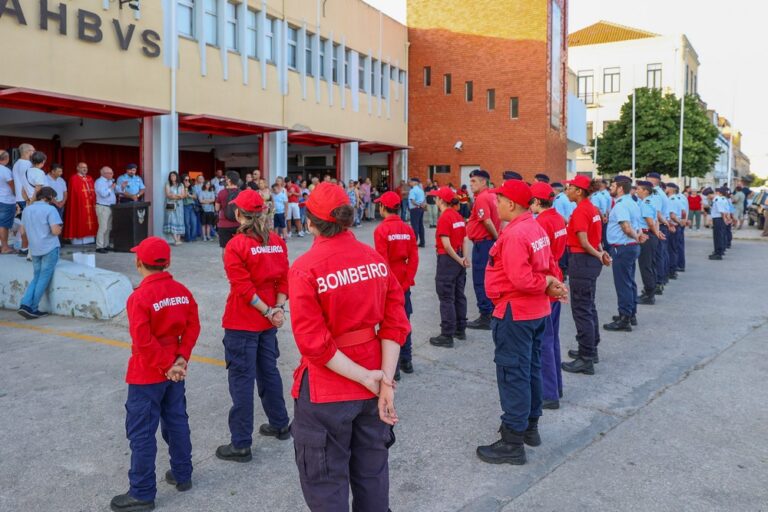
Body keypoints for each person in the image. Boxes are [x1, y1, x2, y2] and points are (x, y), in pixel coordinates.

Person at [287, 182, 409, 512]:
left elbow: (314, 345)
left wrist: (367, 378)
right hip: (373, 378)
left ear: (310, 222)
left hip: (328, 389)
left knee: (325, 484)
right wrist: (384, 380)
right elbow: (396, 323)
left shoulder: (305, 269)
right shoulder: (375, 260)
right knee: (372, 475)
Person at [476, 179, 567, 465]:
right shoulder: (534, 226)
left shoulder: (516, 233)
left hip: (517, 312)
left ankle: (512, 442)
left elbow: (522, 278)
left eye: (499, 200)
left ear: (511, 204)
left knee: (513, 374)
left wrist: (546, 283)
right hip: (535, 311)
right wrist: (551, 282)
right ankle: (530, 427)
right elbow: (550, 266)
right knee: (530, 369)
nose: (496, 204)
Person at [109, 237, 200, 512]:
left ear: (138, 263)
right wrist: (180, 359)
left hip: (147, 372)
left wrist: (165, 365)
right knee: (176, 420)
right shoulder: (182, 291)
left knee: (141, 433)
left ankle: (142, 492)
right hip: (175, 368)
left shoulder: (139, 297)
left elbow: (142, 340)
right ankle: (182, 474)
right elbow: (193, 326)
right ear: (168, 263)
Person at [215, 189, 291, 463]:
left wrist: (270, 310)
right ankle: (280, 422)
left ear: (238, 215)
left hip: (243, 321)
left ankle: (241, 443)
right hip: (268, 319)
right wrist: (277, 310)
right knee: (268, 371)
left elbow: (243, 288)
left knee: (242, 380)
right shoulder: (277, 242)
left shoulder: (237, 245)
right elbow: (285, 278)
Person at [561, 175, 610, 375]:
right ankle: (590, 348)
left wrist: (599, 254)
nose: (567, 191)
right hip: (589, 262)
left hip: (582, 261)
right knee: (588, 307)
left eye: (570, 188)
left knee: (581, 309)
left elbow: (583, 241)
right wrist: (601, 253)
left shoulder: (582, 210)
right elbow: (595, 237)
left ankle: (586, 358)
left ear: (579, 191)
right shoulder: (592, 209)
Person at [529, 181, 567, 410]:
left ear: (535, 202)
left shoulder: (542, 222)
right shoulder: (557, 218)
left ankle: (549, 392)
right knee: (552, 338)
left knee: (544, 340)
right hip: (556, 275)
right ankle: (556, 386)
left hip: (548, 281)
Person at [374, 191, 419, 380]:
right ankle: (406, 360)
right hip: (403, 282)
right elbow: (414, 258)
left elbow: (382, 263)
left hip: (388, 284)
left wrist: (388, 286)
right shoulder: (407, 229)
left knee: (388, 324)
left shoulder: (381, 231)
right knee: (404, 321)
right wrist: (406, 282)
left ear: (383, 208)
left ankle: (394, 368)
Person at [428, 186, 469, 348]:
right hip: (458, 258)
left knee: (446, 297)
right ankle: (460, 329)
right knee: (459, 295)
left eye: (436, 198)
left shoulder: (445, 218)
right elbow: (465, 239)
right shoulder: (458, 216)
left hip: (448, 260)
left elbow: (446, 244)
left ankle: (447, 334)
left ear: (441, 201)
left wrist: (459, 259)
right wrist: (464, 258)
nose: (435, 200)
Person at [603, 176, 644, 332]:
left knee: (623, 284)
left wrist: (636, 236)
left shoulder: (621, 205)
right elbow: (637, 225)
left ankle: (624, 318)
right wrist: (638, 237)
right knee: (629, 281)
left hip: (623, 247)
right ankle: (630, 313)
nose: (610, 188)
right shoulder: (632, 202)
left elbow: (626, 227)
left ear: (620, 188)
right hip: (630, 247)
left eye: (613, 186)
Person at [16, 187, 62, 319]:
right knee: (43, 278)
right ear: (49, 197)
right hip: (49, 247)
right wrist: (60, 228)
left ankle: (25, 304)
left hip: (34, 248)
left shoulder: (27, 209)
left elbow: (23, 232)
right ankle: (33, 308)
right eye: (53, 197)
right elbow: (55, 231)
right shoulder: (51, 209)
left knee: (36, 277)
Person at [465, 169, 501, 331]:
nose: (471, 185)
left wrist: (496, 238)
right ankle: (490, 311)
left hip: (483, 244)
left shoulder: (482, 198)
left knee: (480, 280)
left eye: (474, 181)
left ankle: (485, 315)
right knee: (489, 278)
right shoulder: (492, 196)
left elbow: (486, 221)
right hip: (487, 243)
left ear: (483, 182)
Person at [636, 181, 662, 305]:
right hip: (651, 235)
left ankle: (649, 294)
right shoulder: (650, 201)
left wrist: (655, 233)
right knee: (650, 264)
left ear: (646, 191)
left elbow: (651, 222)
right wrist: (656, 233)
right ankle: (650, 290)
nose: (637, 190)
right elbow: (656, 219)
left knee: (645, 265)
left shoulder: (646, 203)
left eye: (639, 189)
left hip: (647, 235)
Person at [646, 173, 672, 295]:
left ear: (653, 180)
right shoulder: (659, 192)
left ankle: (658, 282)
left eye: (647, 179)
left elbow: (656, 213)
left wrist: (663, 225)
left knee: (657, 256)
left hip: (659, 226)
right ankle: (662, 279)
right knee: (661, 254)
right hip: (662, 225)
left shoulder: (655, 194)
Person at [64, 162, 97, 245]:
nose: (85, 169)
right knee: (79, 219)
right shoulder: (74, 178)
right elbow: (74, 193)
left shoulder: (90, 178)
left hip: (90, 204)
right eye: (82, 167)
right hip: (79, 204)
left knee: (91, 222)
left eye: (86, 167)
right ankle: (78, 240)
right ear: (77, 168)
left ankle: (89, 239)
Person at [215, 171, 242, 250]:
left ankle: (227, 263)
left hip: (224, 224)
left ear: (229, 180)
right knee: (238, 249)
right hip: (238, 224)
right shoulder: (241, 193)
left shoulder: (221, 193)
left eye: (226, 179)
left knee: (225, 249)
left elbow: (217, 208)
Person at [94, 167, 117, 254]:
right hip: (103, 207)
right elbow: (103, 194)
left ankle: (106, 245)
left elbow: (115, 191)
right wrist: (111, 188)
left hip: (111, 207)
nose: (112, 174)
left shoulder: (110, 181)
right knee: (103, 227)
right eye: (110, 173)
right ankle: (99, 246)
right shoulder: (99, 182)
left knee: (108, 228)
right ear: (104, 173)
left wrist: (121, 187)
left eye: (112, 172)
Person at [706, 187, 730, 260]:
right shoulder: (721, 199)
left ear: (711, 194)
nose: (707, 197)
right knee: (719, 236)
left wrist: (725, 219)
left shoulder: (717, 200)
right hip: (719, 219)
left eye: (708, 196)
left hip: (718, 219)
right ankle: (718, 251)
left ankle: (718, 253)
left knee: (718, 237)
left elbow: (722, 212)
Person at [163, 171, 186, 246]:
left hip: (179, 205)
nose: (173, 177)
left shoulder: (181, 185)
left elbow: (183, 195)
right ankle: (175, 240)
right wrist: (178, 196)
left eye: (174, 176)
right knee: (172, 220)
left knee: (179, 220)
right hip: (171, 205)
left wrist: (175, 196)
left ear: (177, 176)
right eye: (171, 176)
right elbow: (168, 195)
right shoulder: (168, 184)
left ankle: (178, 239)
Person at [0, 150, 16, 254]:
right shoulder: (5, 170)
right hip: (6, 200)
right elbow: (12, 186)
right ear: (6, 159)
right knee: (3, 225)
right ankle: (5, 247)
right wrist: (17, 195)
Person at [408, 177, 426, 247]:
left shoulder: (412, 190)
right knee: (420, 225)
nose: (410, 183)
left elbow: (412, 201)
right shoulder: (421, 190)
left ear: (415, 183)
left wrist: (418, 205)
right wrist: (421, 205)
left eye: (411, 182)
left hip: (415, 209)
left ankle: (414, 242)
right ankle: (422, 242)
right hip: (420, 209)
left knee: (414, 225)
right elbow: (424, 199)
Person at [181, 175, 199, 243]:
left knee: (194, 222)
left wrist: (190, 195)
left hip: (192, 206)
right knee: (187, 223)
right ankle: (188, 238)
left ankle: (193, 237)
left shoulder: (192, 188)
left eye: (188, 180)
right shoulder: (181, 188)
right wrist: (186, 188)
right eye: (186, 180)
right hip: (185, 206)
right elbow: (183, 196)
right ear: (183, 181)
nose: (187, 181)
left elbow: (195, 197)